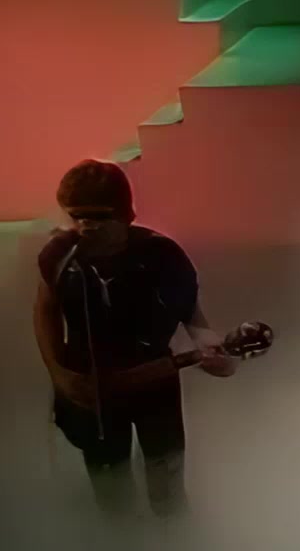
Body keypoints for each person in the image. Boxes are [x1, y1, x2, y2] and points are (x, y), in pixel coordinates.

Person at [34, 160, 236, 517]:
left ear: (126, 214)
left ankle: (173, 545)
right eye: (77, 216)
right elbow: (45, 308)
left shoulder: (164, 257)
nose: (87, 227)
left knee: (167, 488)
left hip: (154, 385)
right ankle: (122, 548)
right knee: (111, 493)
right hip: (89, 389)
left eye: (100, 216)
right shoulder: (60, 255)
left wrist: (216, 355)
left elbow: (195, 321)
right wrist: (60, 374)